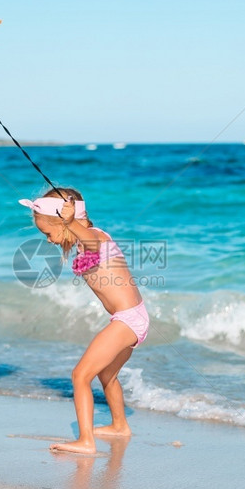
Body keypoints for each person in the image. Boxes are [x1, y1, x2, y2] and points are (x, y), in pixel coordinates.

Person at [19, 188, 149, 454]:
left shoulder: (95, 238)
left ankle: (86, 441)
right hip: (132, 317)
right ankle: (119, 425)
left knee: (80, 375)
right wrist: (69, 225)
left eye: (48, 233)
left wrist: (70, 223)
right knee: (106, 374)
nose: (49, 240)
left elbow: (90, 239)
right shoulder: (83, 244)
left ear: (63, 222)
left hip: (127, 320)